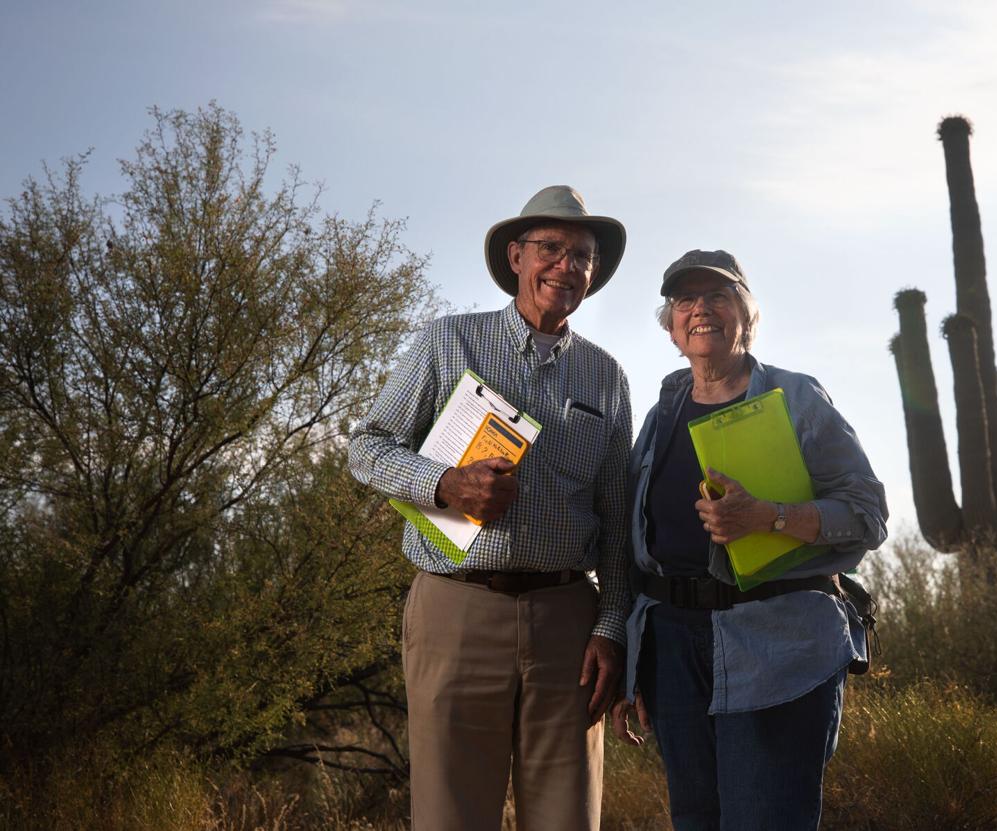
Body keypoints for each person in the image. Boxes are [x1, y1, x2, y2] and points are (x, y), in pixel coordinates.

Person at [349, 185, 632, 830]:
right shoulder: (447, 343)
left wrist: (611, 626)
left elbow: (618, 520)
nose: (567, 266)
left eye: (582, 256)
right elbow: (365, 448)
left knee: (567, 819)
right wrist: (445, 484)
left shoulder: (606, 376)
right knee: (451, 815)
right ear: (516, 257)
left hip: (569, 623)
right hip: (456, 608)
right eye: (551, 249)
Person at [610, 249, 887, 831]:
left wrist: (770, 516)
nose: (701, 309)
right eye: (686, 299)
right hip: (673, 652)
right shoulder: (663, 411)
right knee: (696, 820)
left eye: (718, 296)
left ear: (746, 316)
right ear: (671, 329)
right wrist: (633, 663)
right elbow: (636, 540)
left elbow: (867, 514)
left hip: (777, 645)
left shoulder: (797, 399)